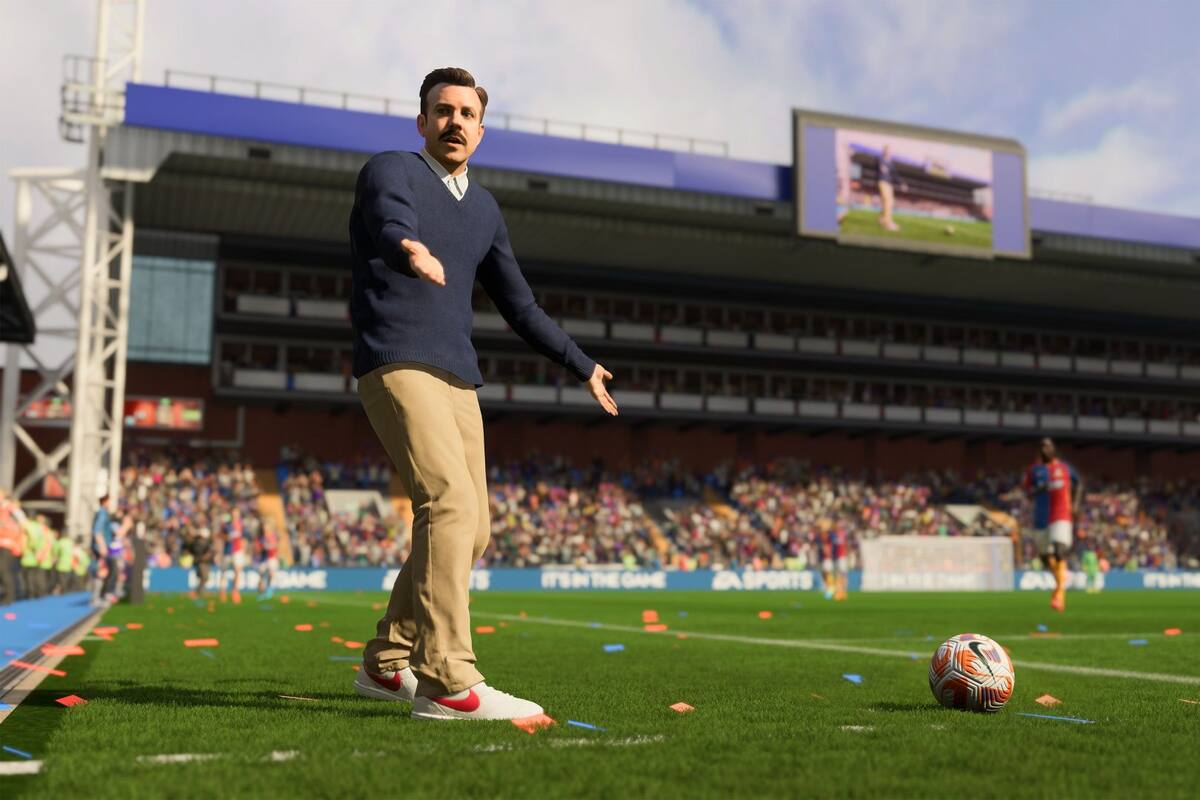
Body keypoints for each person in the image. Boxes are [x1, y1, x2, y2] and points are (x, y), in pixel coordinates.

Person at [348, 67, 617, 721]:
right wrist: (408, 246)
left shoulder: (487, 208)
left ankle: (387, 663)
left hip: (458, 376)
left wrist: (581, 364)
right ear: (422, 122)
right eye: (443, 111)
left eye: (467, 113)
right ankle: (447, 681)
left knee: (474, 531)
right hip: (397, 362)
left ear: (482, 129)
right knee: (444, 503)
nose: (455, 122)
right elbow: (390, 218)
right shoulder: (391, 170)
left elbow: (519, 305)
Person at [1023, 438, 1081, 612]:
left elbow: (1079, 484)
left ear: (1054, 449)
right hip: (1041, 518)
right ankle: (1060, 583)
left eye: (1047, 446)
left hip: (1061, 515)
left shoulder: (1064, 468)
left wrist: (1075, 504)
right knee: (1044, 557)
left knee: (1059, 549)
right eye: (1041, 446)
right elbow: (1027, 492)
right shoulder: (1034, 470)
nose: (1044, 449)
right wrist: (1038, 490)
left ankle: (1059, 593)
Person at [0, 489, 25, 603]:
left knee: (4, 569)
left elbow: (23, 522)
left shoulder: (10, 507)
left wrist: (20, 542)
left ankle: (9, 596)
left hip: (8, 544)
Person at [876, 145, 904, 232]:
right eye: (887, 151)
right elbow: (880, 166)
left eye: (890, 151)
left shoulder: (891, 163)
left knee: (888, 202)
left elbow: (895, 175)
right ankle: (888, 223)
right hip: (883, 182)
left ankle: (881, 219)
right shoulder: (880, 159)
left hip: (889, 184)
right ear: (884, 151)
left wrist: (901, 183)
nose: (889, 152)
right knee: (888, 201)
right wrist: (882, 167)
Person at [259, 521, 279, 600]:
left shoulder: (273, 536)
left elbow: (274, 546)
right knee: (261, 574)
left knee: (271, 574)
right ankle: (263, 591)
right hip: (264, 559)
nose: (265, 529)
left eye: (266, 527)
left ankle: (269, 591)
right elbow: (263, 547)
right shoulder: (262, 537)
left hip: (272, 558)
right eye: (264, 527)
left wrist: (268, 546)